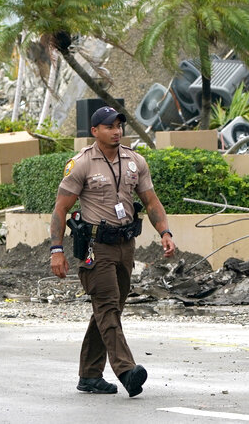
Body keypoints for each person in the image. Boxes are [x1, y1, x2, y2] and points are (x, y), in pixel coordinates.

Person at [50, 106, 176, 397]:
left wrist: (165, 232)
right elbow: (61, 209)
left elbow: (151, 201)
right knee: (107, 306)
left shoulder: (135, 161)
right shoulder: (81, 163)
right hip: (96, 247)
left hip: (125, 246)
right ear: (95, 131)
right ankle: (126, 370)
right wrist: (56, 250)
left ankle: (90, 376)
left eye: (119, 125)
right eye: (109, 126)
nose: (117, 130)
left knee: (109, 310)